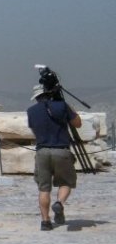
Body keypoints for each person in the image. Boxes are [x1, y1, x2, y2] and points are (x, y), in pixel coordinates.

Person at [27, 83, 82, 230]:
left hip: (42, 151)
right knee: (66, 182)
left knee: (44, 188)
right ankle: (59, 203)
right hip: (61, 150)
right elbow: (78, 124)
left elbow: (34, 130)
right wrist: (68, 108)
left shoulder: (31, 111)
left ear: (37, 97)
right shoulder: (62, 105)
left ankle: (45, 222)